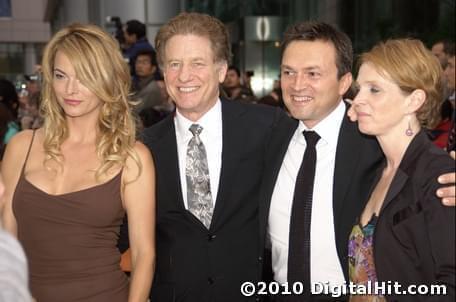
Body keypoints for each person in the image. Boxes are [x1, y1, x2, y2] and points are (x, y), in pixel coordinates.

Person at [258, 21, 456, 302]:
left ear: (343, 82)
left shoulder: (429, 171)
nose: (297, 83)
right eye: (289, 72)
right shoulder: (269, 135)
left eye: (313, 73)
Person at [0, 23, 155, 302]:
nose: (70, 89)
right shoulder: (21, 146)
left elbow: (144, 254)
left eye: (84, 77)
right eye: (61, 76)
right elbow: (7, 239)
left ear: (107, 79)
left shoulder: (132, 157)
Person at [141, 12, 286, 302]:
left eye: (197, 63)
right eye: (174, 64)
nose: (184, 76)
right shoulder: (144, 147)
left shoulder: (268, 127)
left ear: (221, 70)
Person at [349, 38, 455, 301]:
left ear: (414, 100)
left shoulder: (439, 174)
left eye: (374, 90)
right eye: (359, 88)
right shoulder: (377, 171)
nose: (357, 99)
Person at [132, 49, 171, 114]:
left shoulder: (154, 88)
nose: (139, 66)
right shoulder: (136, 83)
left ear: (153, 69)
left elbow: (135, 109)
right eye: (138, 62)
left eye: (144, 63)